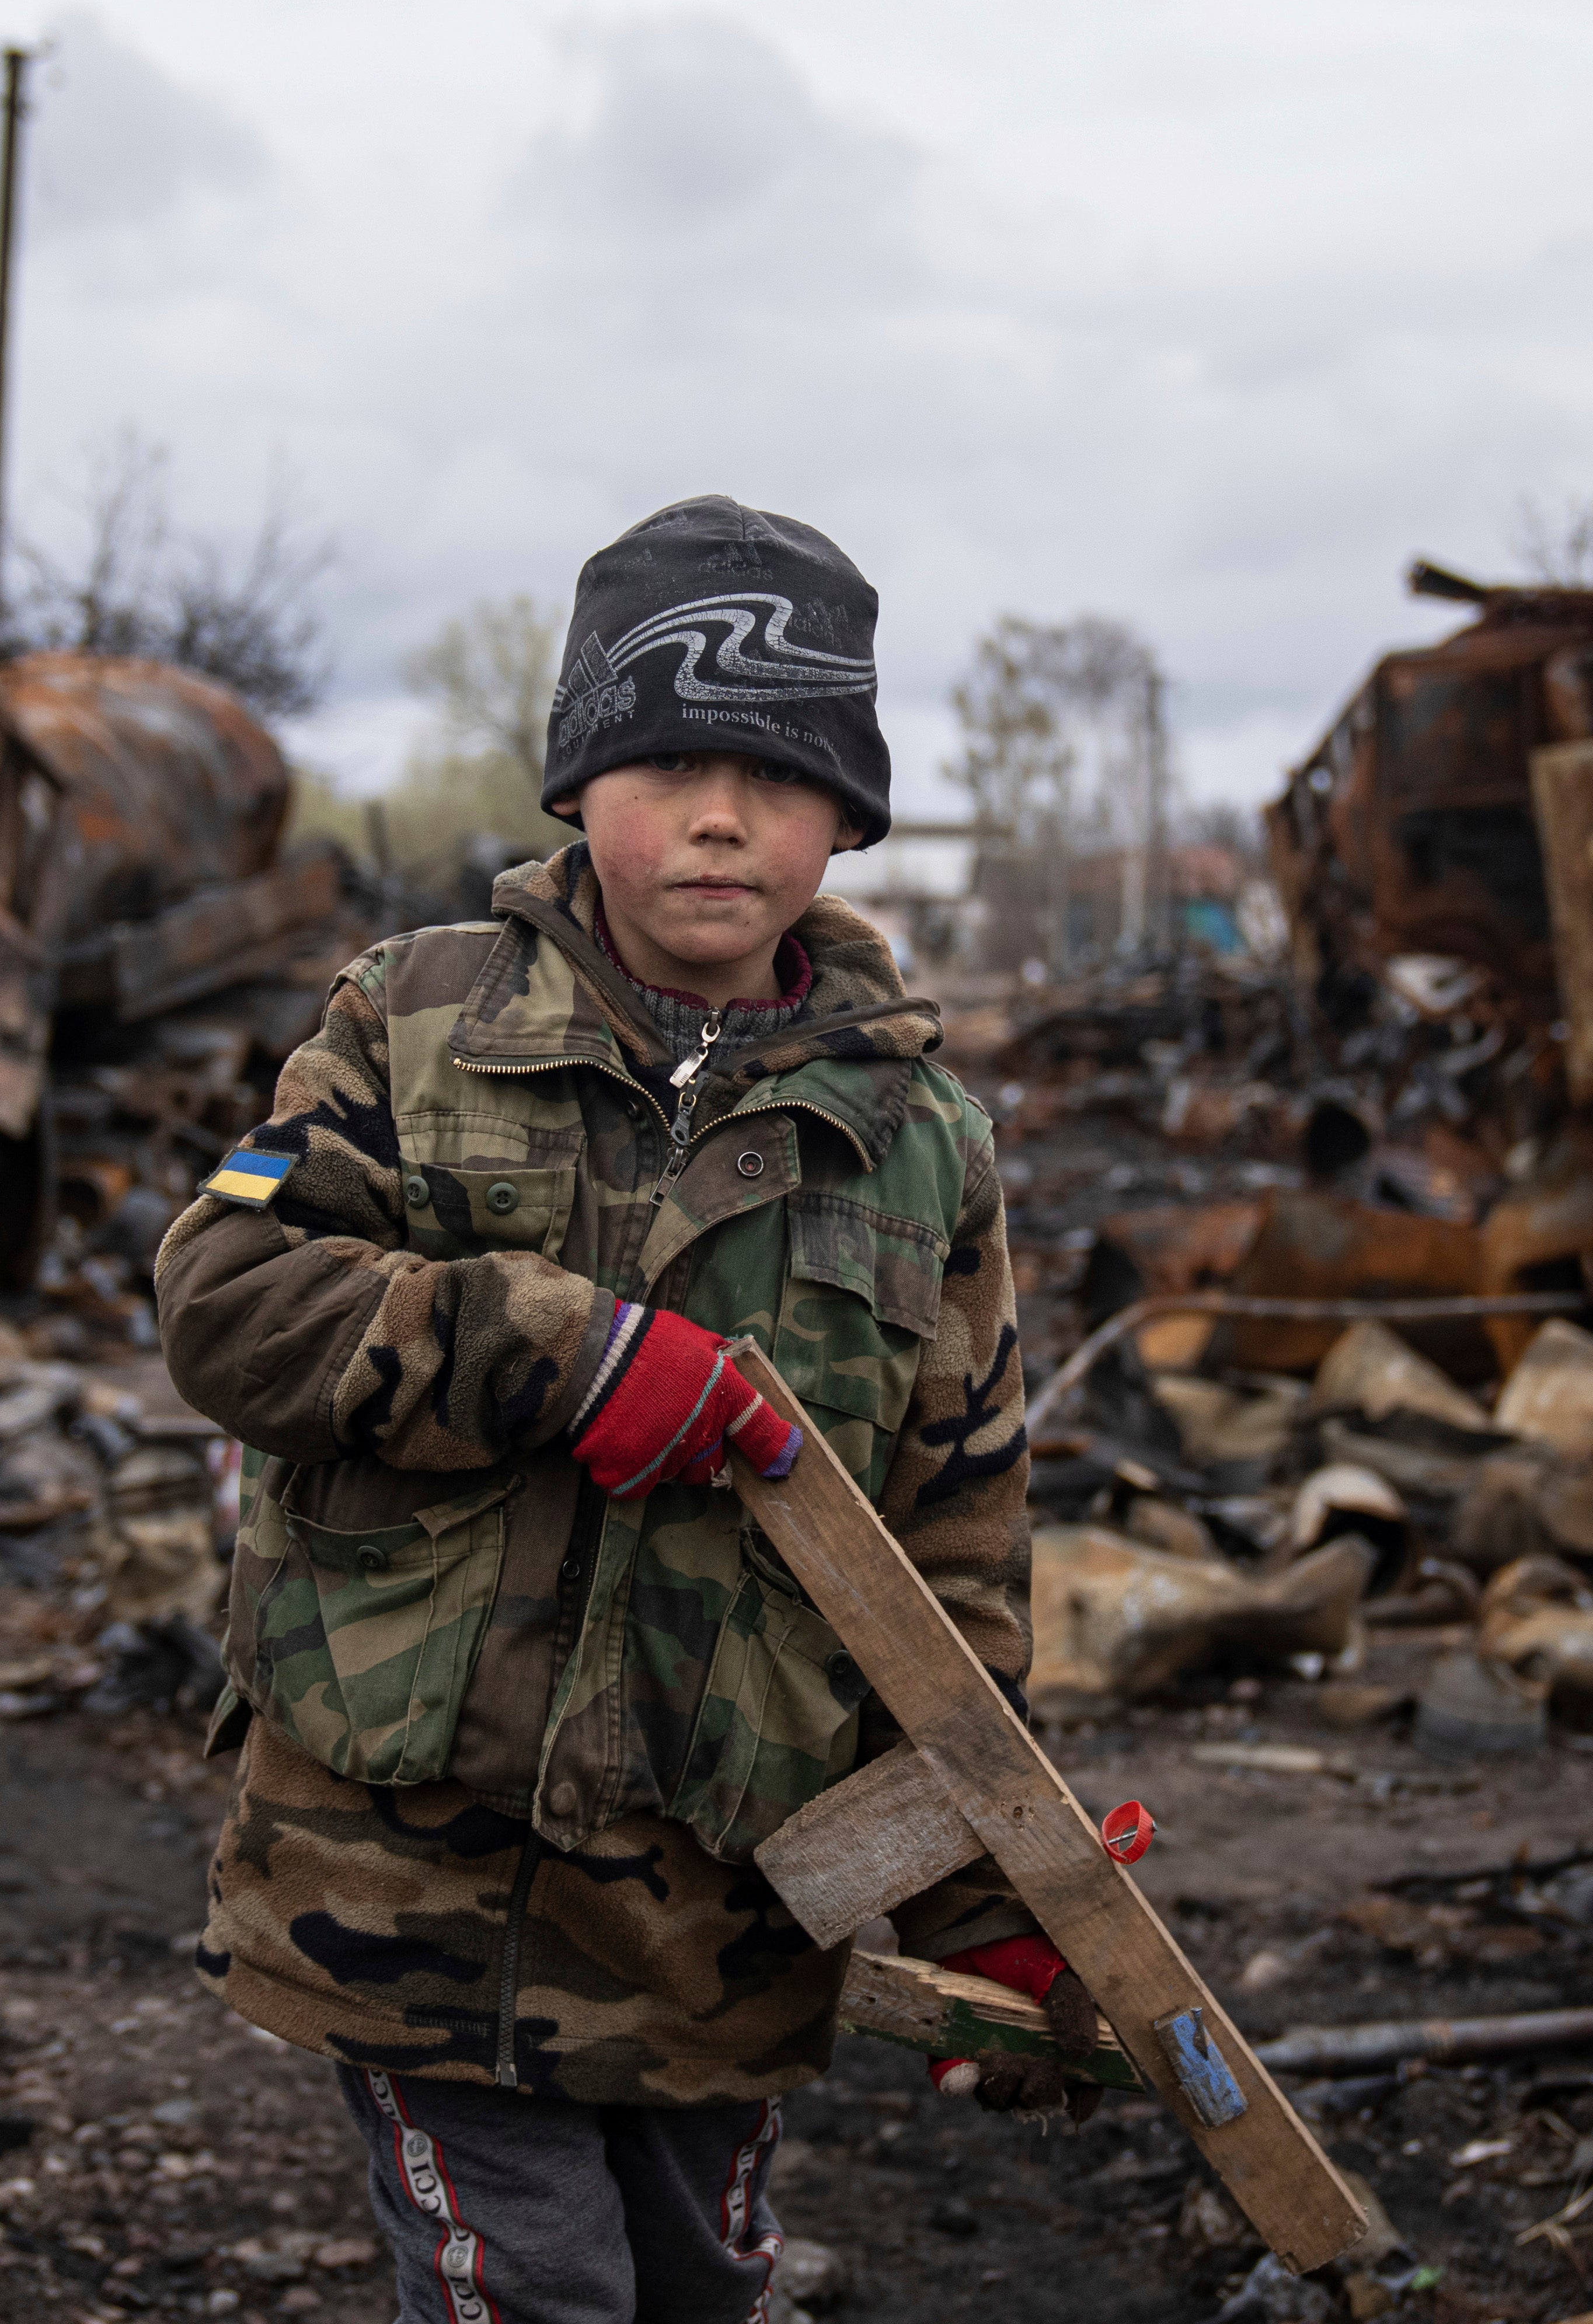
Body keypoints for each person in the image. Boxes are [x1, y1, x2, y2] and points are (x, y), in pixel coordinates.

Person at [154, 495, 1071, 2324]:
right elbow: (225, 1299)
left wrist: (984, 1901)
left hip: (710, 1920)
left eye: (776, 771)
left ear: (847, 814)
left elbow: (949, 1542)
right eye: (665, 761)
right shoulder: (409, 1024)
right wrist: (553, 1353)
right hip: (405, 1879)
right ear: (581, 783)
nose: (720, 816)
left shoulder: (918, 1150)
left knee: (693, 2291)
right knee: (530, 2295)